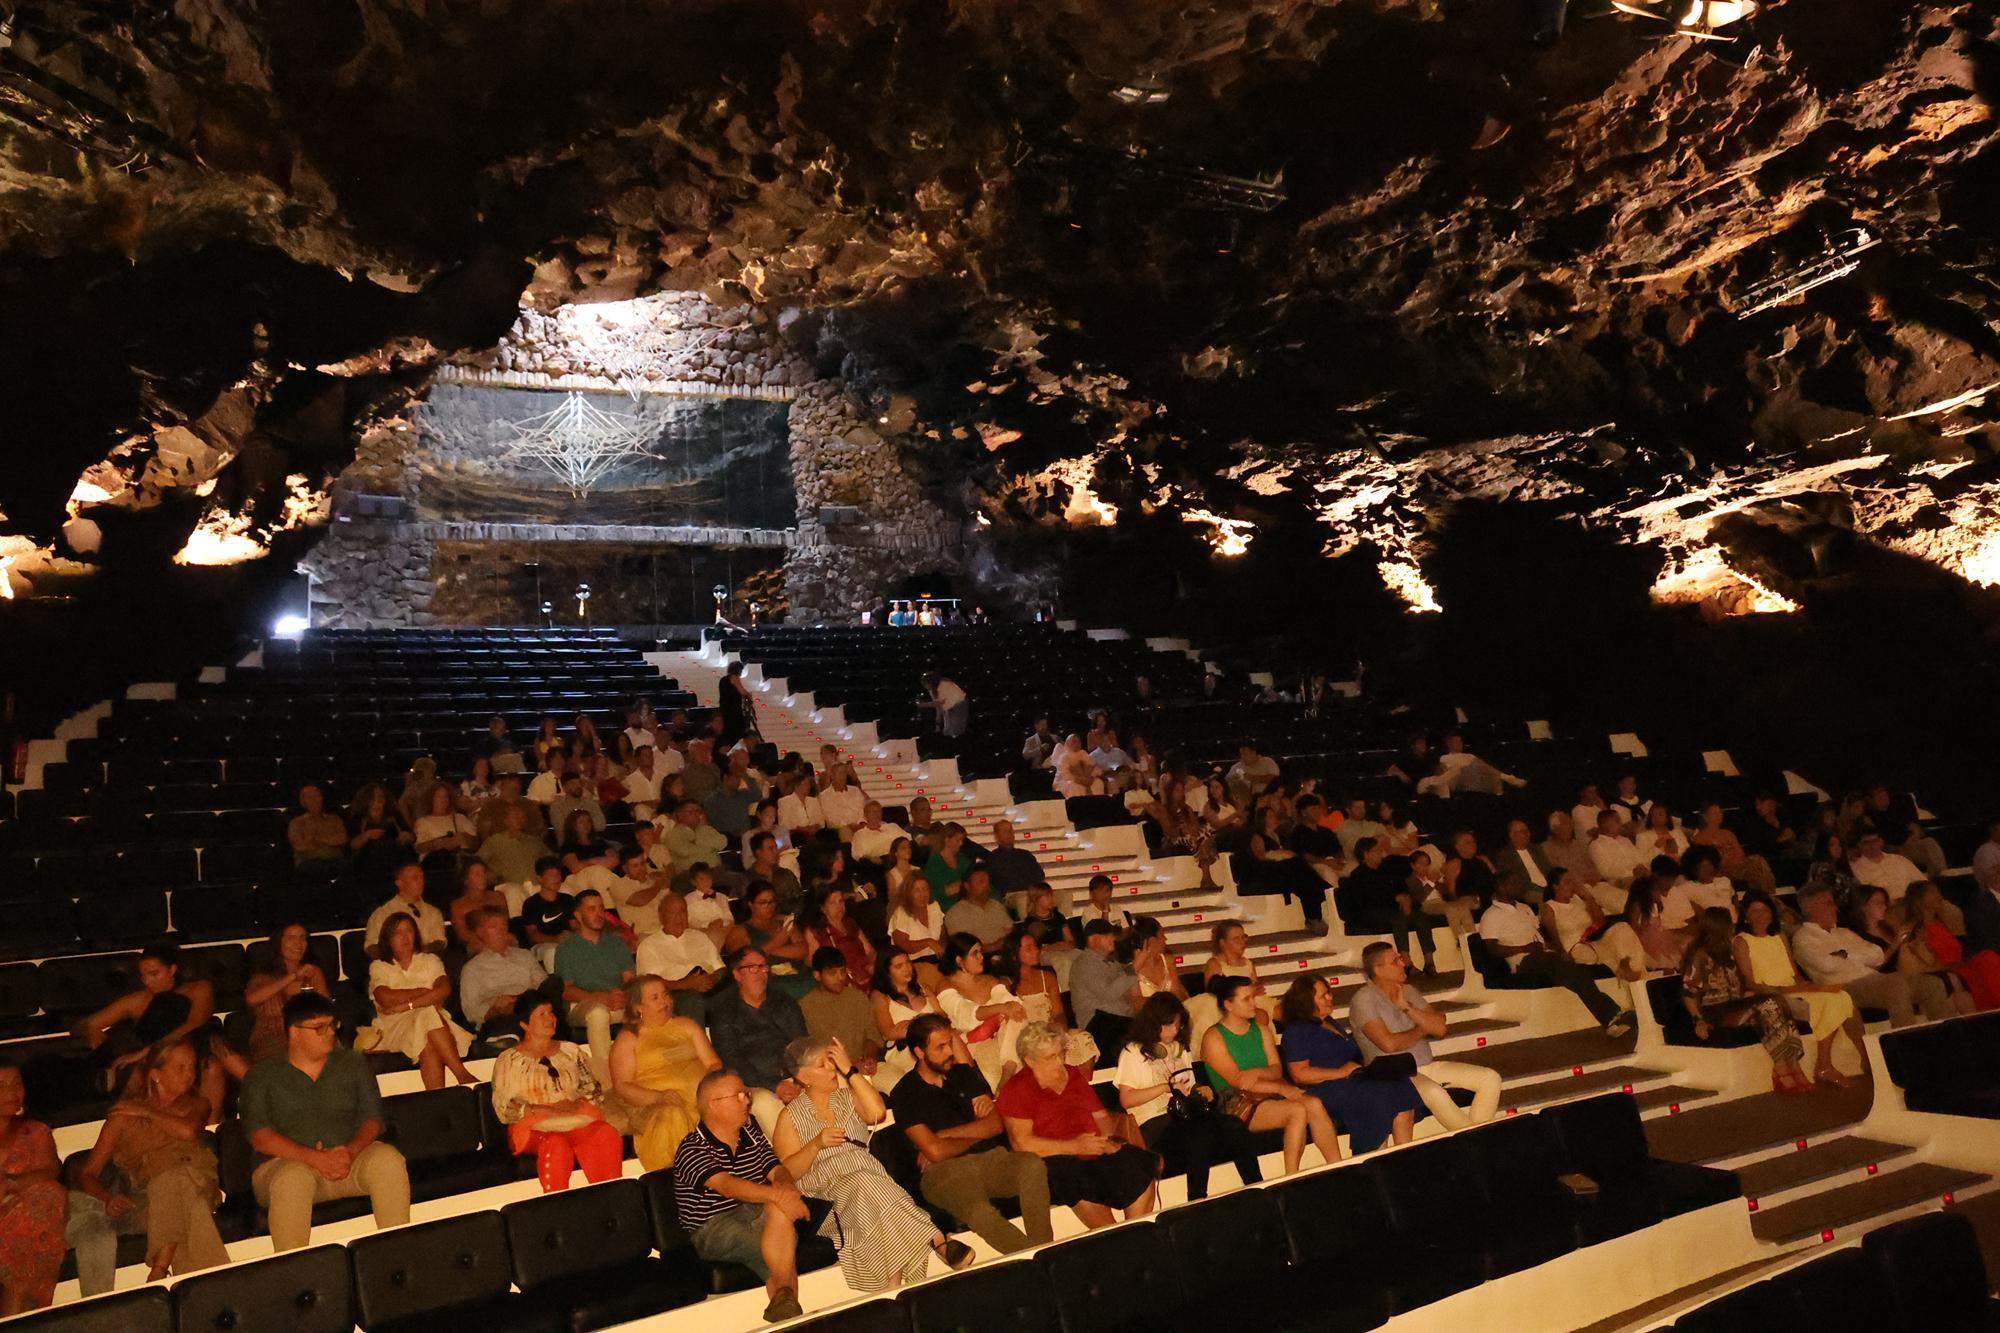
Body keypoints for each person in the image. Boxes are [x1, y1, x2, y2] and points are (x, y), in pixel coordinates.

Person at [774, 1036, 973, 1291]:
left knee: (871, 1189)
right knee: (869, 1185)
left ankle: (893, 1288)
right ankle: (936, 1239)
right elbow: (787, 1173)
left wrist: (850, 1070)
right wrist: (816, 1145)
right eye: (823, 1065)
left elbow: (877, 1112)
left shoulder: (848, 1097)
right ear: (803, 1076)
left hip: (873, 1189)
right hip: (829, 1197)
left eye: (832, 1062)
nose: (832, 1069)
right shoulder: (790, 1116)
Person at [241, 991, 410, 1252]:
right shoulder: (261, 1075)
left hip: (347, 1158)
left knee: (388, 1160)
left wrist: (350, 1152)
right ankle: (295, 1268)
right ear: (294, 1032)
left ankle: (397, 1255)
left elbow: (373, 1119)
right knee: (292, 1180)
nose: (330, 1033)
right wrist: (315, 1158)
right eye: (319, 1028)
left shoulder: (352, 1063)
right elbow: (260, 1137)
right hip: (286, 1165)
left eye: (332, 1025)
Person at [67, 1038, 226, 1293]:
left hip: (198, 1179)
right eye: (180, 1067)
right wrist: (107, 1198)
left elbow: (188, 1131)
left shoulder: (198, 1103)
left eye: (192, 1067)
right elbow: (88, 1173)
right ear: (155, 1075)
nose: (190, 1074)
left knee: (176, 1179)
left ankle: (159, 1271)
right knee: (190, 1207)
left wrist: (145, 1112)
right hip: (149, 1199)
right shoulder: (122, 1117)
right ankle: (212, 1291)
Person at [885, 1013, 1053, 1252]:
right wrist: (974, 1134)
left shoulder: (962, 1074)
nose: (949, 1052)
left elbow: (996, 1124)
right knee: (980, 1211)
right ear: (920, 1052)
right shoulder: (905, 1094)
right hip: (944, 1172)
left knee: (1031, 1165)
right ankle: (1037, 1258)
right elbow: (935, 1152)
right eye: (940, 1047)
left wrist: (944, 1136)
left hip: (991, 1159)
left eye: (949, 1044)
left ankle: (1044, 1249)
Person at [671, 1070, 807, 1324]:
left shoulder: (750, 1129)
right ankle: (787, 1306)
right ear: (714, 1104)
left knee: (779, 1211)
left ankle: (784, 1310)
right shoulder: (692, 1147)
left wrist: (786, 1190)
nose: (747, 1100)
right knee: (776, 1244)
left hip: (754, 1210)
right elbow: (727, 1186)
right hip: (712, 1225)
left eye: (746, 1094)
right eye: (739, 1096)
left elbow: (776, 1169)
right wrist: (780, 1196)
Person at [997, 1022, 1159, 1229]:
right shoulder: (1017, 1089)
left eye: (1061, 1054)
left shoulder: (1072, 1074)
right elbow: (1022, 1144)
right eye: (1050, 1057)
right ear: (1030, 1060)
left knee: (1139, 1163)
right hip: (1052, 1158)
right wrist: (1075, 1146)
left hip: (1091, 1147)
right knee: (1071, 1175)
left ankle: (1135, 1231)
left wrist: (1105, 1140)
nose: (1059, 1061)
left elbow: (1101, 1117)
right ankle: (1115, 1235)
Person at [1114, 995, 1265, 1199]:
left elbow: (1189, 1086)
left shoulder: (1180, 1050)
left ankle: (1258, 1190)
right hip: (1154, 1124)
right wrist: (1164, 1088)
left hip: (1187, 1116)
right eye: (1169, 1025)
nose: (1174, 1031)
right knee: (1198, 1135)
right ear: (1153, 1022)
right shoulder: (1134, 1052)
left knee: (1234, 1125)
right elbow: (1126, 1099)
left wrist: (1202, 1091)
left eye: (1178, 1026)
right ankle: (1197, 1200)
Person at [1351, 942, 1502, 1128]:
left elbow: (1440, 1029)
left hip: (1426, 1065)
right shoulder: (1363, 999)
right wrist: (1423, 1027)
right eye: (1395, 961)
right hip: (1395, 1074)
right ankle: (1476, 1138)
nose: (1403, 963)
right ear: (1378, 970)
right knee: (1435, 1092)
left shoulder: (1408, 991)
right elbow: (1389, 1045)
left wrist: (1406, 1007)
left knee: (1490, 1078)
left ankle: (1475, 1137)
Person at [1200, 976, 1342, 1173]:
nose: (1253, 1003)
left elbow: (1276, 1069)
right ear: (1228, 1005)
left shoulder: (1261, 1030)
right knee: (1296, 1110)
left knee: (1314, 1103)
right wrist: (1280, 1088)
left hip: (1268, 1092)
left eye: (1253, 997)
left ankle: (1338, 1166)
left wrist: (1256, 1072)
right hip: (1235, 1101)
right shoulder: (1214, 1037)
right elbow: (1239, 1082)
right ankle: (1291, 1175)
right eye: (1246, 999)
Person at [491, 996, 623, 1193]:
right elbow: (503, 1107)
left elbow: (592, 1089)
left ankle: (611, 1197)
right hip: (534, 1125)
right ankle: (556, 1203)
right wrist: (544, 1110)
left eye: (551, 1012)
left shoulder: (571, 1051)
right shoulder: (509, 1060)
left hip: (574, 1117)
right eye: (542, 1014)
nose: (550, 1018)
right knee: (556, 1144)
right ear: (525, 1024)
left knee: (606, 1134)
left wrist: (577, 1103)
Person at [1277, 976, 1422, 1154]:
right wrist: (1341, 1073)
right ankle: (1373, 1153)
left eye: (1329, 993)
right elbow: (1300, 1074)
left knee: (1398, 1083)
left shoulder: (1329, 1023)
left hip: (1351, 1080)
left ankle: (1404, 1153)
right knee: (1379, 1094)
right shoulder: (1297, 1031)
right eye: (1323, 996)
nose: (1330, 998)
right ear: (1307, 1001)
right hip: (1327, 1087)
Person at [1733, 892, 1862, 1087]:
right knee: (1832, 1001)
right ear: (1746, 916)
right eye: (1755, 912)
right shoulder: (1742, 941)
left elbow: (1794, 973)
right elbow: (1751, 983)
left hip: (1793, 990)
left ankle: (1824, 1065)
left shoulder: (1779, 937)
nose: (1761, 916)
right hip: (1768, 994)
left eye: (1765, 910)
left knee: (1841, 996)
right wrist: (1787, 990)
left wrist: (1810, 987)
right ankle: (1825, 1066)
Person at [1478, 878, 1634, 1035]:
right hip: (1522, 961)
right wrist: (1525, 948)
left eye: (1517, 882)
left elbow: (1540, 932)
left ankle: (1613, 1016)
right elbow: (1492, 949)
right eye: (1512, 883)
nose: (1518, 886)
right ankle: (1610, 1015)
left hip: (1544, 955)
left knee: (1574, 969)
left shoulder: (1524, 907)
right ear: (1500, 886)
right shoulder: (1491, 915)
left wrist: (1555, 947)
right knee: (1563, 967)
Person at [1681, 908, 1811, 1093]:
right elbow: (1689, 992)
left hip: (1736, 1004)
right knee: (1767, 1008)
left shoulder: (1729, 953)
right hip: (1716, 1010)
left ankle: (1792, 1064)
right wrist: (1698, 1020)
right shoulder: (1700, 956)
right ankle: (1782, 1068)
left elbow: (1739, 985)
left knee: (1777, 1003)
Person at [77, 943, 225, 1101]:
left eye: (154, 974)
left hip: (191, 1050)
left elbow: (194, 1023)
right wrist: (99, 1041)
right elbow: (86, 1025)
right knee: (140, 1072)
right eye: (143, 976)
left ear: (172, 970)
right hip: (153, 1062)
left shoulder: (198, 988)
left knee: (212, 1067)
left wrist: (146, 1051)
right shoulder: (139, 999)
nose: (147, 981)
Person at [611, 975, 719, 1171]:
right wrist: (658, 1097)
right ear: (638, 1007)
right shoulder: (629, 1038)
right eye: (655, 998)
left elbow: (713, 1064)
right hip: (659, 1105)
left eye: (666, 995)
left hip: (701, 1098)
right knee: (673, 1114)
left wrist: (709, 1091)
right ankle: (686, 1176)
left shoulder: (686, 1025)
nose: (665, 1001)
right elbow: (622, 1085)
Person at [1793, 886, 1943, 1027]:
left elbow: (1876, 955)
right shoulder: (1803, 938)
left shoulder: (1844, 932)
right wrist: (1853, 954)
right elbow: (1826, 965)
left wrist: (1843, 954)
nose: (1835, 908)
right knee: (1895, 984)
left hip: (1873, 979)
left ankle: (1943, 1035)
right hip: (1843, 987)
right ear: (1812, 907)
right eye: (1829, 904)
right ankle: (1905, 1038)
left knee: (1933, 983)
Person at [369, 913, 477, 1088]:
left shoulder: (430, 961)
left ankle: (436, 1097)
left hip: (433, 1026)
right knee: (428, 1013)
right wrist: (424, 993)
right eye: (398, 933)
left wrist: (405, 1005)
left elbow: (444, 990)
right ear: (388, 939)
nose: (405, 937)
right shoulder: (379, 966)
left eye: (409, 931)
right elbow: (385, 998)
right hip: (394, 1027)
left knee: (426, 1036)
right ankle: (462, 1075)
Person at [707, 948, 809, 1132]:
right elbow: (732, 1060)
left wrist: (799, 1078)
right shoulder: (723, 1011)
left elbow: (801, 1042)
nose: (761, 973)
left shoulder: (783, 1001)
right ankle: (789, 1148)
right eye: (753, 968)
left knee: (833, 1083)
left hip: (794, 1074)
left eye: (763, 967)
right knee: (763, 1103)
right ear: (737, 974)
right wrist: (775, 1085)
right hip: (755, 1082)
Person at [0, 1055, 64, 1315]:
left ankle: (16, 1304)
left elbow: (50, 1171)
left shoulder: (35, 1131)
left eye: (16, 1083)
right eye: (2, 1085)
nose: (12, 1091)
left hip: (27, 1222)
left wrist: (11, 1184)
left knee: (48, 1196)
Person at [1339, 837, 1447, 973]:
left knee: (1420, 917)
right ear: (1366, 854)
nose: (1381, 854)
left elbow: (1400, 889)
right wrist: (1395, 898)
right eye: (1377, 851)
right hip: (1371, 913)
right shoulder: (1358, 875)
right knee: (1398, 919)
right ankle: (1406, 961)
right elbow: (1367, 899)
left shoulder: (1385, 871)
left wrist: (1405, 899)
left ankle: (1429, 961)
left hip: (1393, 909)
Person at [553, 890, 637, 1063]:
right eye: (591, 909)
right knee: (598, 1012)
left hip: (617, 1002)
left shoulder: (616, 943)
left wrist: (621, 996)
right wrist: (600, 998)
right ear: (578, 915)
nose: (599, 914)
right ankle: (605, 1072)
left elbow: (630, 981)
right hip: (582, 1005)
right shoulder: (566, 949)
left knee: (645, 1006)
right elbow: (567, 991)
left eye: (601, 909)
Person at [459, 908, 565, 1045]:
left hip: (533, 1006)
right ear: (480, 932)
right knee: (514, 1017)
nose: (501, 931)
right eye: (494, 927)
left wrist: (523, 1000)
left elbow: (544, 986)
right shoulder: (472, 968)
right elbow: (471, 1011)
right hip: (502, 1016)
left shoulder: (525, 955)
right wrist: (495, 1009)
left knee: (553, 983)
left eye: (503, 925)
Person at [938, 934, 1028, 1089]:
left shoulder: (989, 980)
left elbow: (1014, 1004)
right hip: (975, 1043)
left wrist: (1005, 1011)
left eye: (981, 952)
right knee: (994, 1053)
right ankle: (1006, 1082)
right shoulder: (946, 986)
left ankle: (1008, 1072)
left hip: (1005, 1034)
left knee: (1017, 1018)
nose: (981, 957)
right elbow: (967, 1017)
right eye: (975, 953)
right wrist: (1001, 1010)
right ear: (959, 960)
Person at [243, 924, 334, 1065]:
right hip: (272, 1040)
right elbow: (251, 999)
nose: (298, 943)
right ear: (278, 941)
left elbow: (327, 1010)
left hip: (311, 1036)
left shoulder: (313, 972)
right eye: (291, 937)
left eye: (302, 937)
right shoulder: (263, 977)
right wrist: (293, 976)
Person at [1904, 880, 2000, 1011]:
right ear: (1919, 899)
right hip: (1946, 970)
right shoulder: (1917, 929)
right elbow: (1926, 961)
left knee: (1987, 957)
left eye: (1937, 891)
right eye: (1932, 892)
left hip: (1961, 965)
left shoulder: (1941, 923)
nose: (1938, 895)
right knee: (1986, 959)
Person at [636, 892, 727, 1021]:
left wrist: (712, 979)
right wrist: (685, 984)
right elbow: (647, 984)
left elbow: (721, 968)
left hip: (708, 989)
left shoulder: (700, 937)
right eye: (673, 913)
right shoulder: (649, 945)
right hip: (673, 994)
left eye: (683, 912)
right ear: (661, 916)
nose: (679, 918)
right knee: (693, 1000)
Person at [800, 947, 882, 1073]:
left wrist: (869, 1058)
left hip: (864, 1066)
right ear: (817, 975)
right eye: (832, 973)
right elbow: (811, 1052)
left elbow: (872, 1036)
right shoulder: (806, 1006)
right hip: (831, 1072)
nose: (840, 978)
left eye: (842, 972)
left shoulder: (857, 997)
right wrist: (849, 1067)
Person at [1070, 919, 1141, 1052]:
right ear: (1093, 940)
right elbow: (1108, 994)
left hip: (1116, 1020)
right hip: (1097, 1024)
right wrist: (1134, 967)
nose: (1113, 939)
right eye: (1107, 935)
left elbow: (1126, 991)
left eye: (1112, 935)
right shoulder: (1084, 964)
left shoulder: (1112, 963)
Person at [365, 861, 449, 958]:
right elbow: (371, 946)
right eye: (415, 878)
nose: (421, 881)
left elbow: (440, 942)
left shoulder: (433, 912)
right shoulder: (382, 913)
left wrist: (416, 954)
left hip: (427, 963)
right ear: (399, 883)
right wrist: (395, 957)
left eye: (422, 877)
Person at [943, 866, 1015, 948]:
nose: (986, 886)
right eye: (981, 882)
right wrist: (995, 945)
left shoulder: (996, 906)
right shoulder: (955, 913)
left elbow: (1010, 932)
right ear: (967, 886)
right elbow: (963, 948)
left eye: (987, 882)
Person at [287, 784, 349, 873]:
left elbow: (342, 840)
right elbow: (300, 846)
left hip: (335, 860)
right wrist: (329, 840)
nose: (315, 800)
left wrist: (317, 839)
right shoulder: (296, 823)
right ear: (303, 801)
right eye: (310, 797)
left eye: (317, 796)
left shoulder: (335, 819)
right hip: (309, 861)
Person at [1850, 831, 1926, 904]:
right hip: (1886, 906)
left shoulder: (1899, 859)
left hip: (1912, 902)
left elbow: (1922, 881)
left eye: (1875, 841)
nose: (1872, 845)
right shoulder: (1856, 867)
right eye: (1866, 843)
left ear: (1881, 842)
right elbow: (1867, 896)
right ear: (1859, 845)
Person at [517, 856, 577, 946]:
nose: (557, 879)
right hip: (544, 945)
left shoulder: (568, 899)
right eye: (551, 875)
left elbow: (575, 925)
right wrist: (554, 939)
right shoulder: (531, 904)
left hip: (568, 943)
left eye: (558, 874)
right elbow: (532, 934)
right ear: (540, 879)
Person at [919, 674, 969, 738]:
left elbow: (939, 703)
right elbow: (938, 706)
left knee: (955, 729)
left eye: (925, 684)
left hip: (959, 705)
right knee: (947, 730)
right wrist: (938, 722)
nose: (925, 686)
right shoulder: (932, 690)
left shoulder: (944, 684)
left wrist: (921, 705)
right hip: (948, 707)